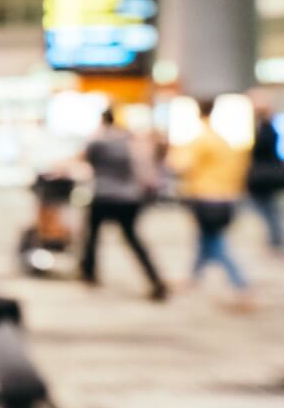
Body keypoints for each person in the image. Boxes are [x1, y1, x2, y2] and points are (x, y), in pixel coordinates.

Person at [171, 99, 253, 309]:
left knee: (215, 243)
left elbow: (181, 165)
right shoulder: (224, 140)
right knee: (205, 239)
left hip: (207, 196)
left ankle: (241, 284)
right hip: (227, 195)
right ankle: (193, 277)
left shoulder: (201, 140)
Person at [79, 108, 167, 301]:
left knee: (92, 237)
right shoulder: (130, 141)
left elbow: (87, 161)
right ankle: (155, 280)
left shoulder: (97, 141)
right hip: (129, 197)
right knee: (133, 239)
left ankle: (89, 274)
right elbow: (145, 169)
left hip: (103, 195)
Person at [247, 98, 283, 253]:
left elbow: (260, 151)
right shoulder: (264, 128)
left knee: (267, 208)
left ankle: (276, 238)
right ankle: (275, 238)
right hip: (265, 175)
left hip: (264, 176)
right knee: (268, 208)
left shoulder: (266, 130)